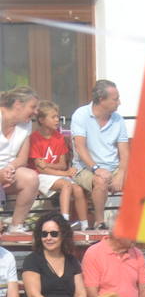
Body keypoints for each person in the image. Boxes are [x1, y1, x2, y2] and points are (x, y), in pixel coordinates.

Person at [69, 79, 127, 229]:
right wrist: (96, 169)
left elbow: (124, 151)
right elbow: (80, 148)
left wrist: (121, 174)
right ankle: (100, 222)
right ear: (102, 100)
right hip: (85, 168)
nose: (119, 102)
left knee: (143, 179)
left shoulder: (118, 120)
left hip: (113, 168)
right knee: (100, 181)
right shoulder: (81, 115)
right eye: (115, 99)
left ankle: (140, 223)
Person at [29, 98, 87, 231]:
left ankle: (85, 225)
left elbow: (62, 164)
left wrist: (48, 164)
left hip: (55, 175)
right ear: (42, 120)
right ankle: (64, 222)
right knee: (66, 184)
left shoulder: (59, 137)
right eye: (53, 117)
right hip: (39, 177)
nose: (57, 120)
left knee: (77, 189)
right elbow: (40, 169)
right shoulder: (34, 139)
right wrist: (65, 173)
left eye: (58, 116)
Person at [0, 86, 38, 235]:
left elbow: (22, 158)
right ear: (17, 105)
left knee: (31, 178)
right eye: (32, 107)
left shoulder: (26, 124)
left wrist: (9, 168)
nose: (35, 112)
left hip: (8, 172)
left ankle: (16, 227)